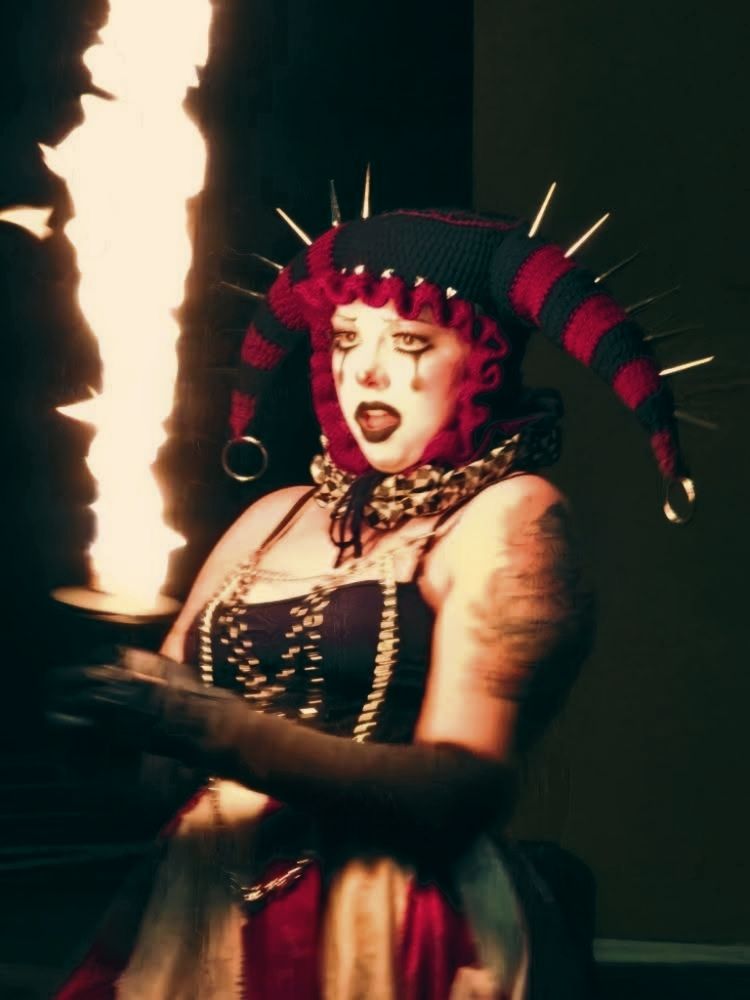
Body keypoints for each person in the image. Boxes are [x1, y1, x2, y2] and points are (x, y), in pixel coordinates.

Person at [49, 206, 692, 999]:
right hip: (196, 910)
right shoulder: (273, 515)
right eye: (348, 338)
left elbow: (462, 793)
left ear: (482, 360)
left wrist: (207, 725)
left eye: (410, 342)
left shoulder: (510, 516)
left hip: (385, 924)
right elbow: (157, 776)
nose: (367, 372)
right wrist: (107, 723)